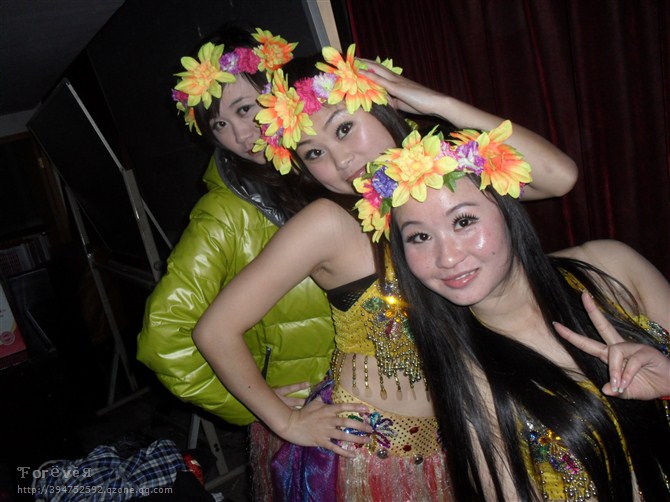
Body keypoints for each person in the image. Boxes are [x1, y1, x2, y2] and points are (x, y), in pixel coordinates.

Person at [193, 45, 578, 500]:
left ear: (379, 104)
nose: (340, 160)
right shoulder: (327, 223)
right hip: (369, 458)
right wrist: (286, 422)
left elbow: (558, 177)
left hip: (467, 434)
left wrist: (438, 103)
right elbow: (215, 330)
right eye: (314, 152)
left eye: (344, 128)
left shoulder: (445, 184)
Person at [354, 124, 670, 500]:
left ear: (507, 212)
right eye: (420, 237)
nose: (448, 258)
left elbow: (560, 173)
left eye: (463, 221)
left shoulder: (612, 268)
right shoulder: (470, 381)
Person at [136, 24, 336, 499]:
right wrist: (261, 409)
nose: (239, 135)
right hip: (314, 427)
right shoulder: (224, 213)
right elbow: (165, 336)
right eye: (219, 126)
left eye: (245, 109)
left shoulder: (327, 168)